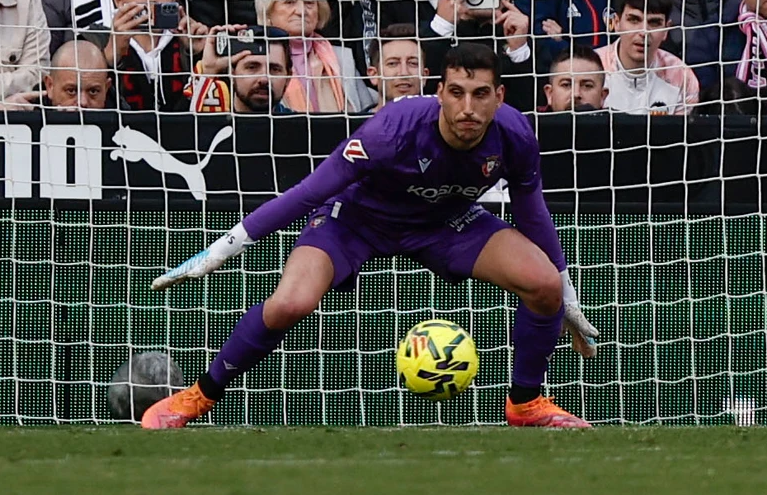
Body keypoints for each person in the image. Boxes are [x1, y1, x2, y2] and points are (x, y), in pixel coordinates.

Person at [143, 43, 600, 429]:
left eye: (480, 94)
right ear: (438, 92)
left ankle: (525, 404)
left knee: (540, 283)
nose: (468, 108)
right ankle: (199, 396)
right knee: (290, 304)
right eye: (456, 93)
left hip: (444, 220)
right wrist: (218, 251)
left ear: (499, 96)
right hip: (355, 218)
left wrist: (565, 291)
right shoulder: (392, 130)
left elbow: (531, 210)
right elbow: (307, 194)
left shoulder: (515, 134)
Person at [105, 0, 198, 112]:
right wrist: (109, 58)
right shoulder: (94, 41)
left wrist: (198, 55)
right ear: (118, 0)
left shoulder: (190, 39)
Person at [594, 0, 699, 115]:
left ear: (666, 29)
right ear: (616, 23)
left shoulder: (682, 77)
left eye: (654, 22)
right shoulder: (590, 69)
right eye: (634, 20)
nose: (644, 32)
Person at [367, 23, 426, 104]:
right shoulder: (352, 117)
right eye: (392, 63)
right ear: (374, 75)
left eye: (413, 63)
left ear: (424, 76)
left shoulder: (440, 116)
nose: (404, 73)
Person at [541, 44, 607, 112]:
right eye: (566, 85)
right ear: (549, 94)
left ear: (602, 96)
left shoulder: (616, 121)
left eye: (587, 86)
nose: (576, 94)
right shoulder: (531, 121)